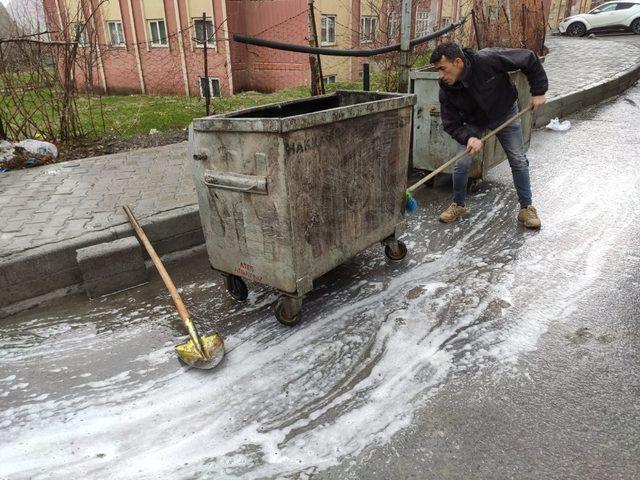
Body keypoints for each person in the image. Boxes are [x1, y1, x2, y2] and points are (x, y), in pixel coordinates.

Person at [430, 42, 548, 229]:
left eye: (443, 69)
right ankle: (458, 205)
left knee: (518, 159)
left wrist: (539, 91)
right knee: (461, 162)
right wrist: (468, 137)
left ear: (458, 62)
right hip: (473, 120)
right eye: (438, 70)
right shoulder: (446, 88)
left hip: (504, 112)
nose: (440, 75)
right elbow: (450, 123)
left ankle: (526, 207)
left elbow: (529, 58)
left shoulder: (487, 60)